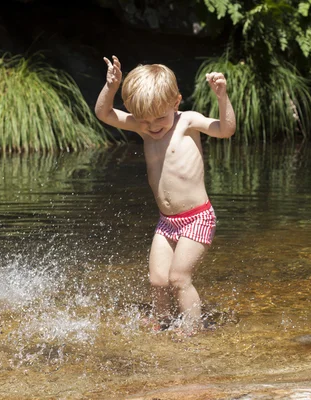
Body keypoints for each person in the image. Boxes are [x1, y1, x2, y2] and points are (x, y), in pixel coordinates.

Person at [95, 55, 236, 334]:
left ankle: (192, 330)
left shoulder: (187, 122)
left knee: (179, 277)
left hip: (197, 218)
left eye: (160, 117)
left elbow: (226, 129)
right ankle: (163, 322)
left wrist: (222, 96)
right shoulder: (143, 126)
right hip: (166, 222)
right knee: (158, 280)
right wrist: (111, 86)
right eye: (145, 120)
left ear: (176, 102)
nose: (153, 126)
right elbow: (104, 113)